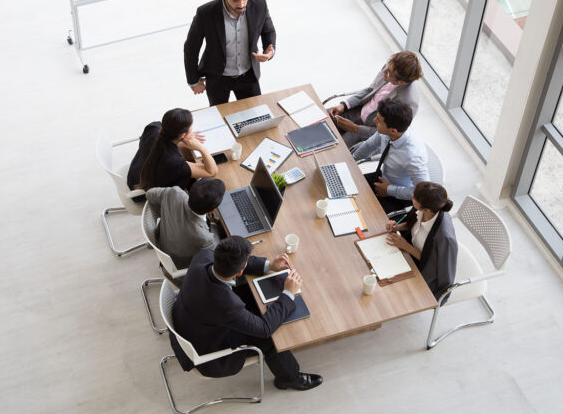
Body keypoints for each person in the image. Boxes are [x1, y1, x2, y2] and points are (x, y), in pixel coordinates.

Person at [170, 236, 323, 391]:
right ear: (240, 270)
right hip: (209, 352)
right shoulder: (227, 305)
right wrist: (288, 293)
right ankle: (290, 379)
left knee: (251, 297)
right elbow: (264, 329)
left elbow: (234, 264)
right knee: (270, 340)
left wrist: (269, 265)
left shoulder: (202, 257)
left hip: (190, 320)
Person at [183, 0, 276, 106]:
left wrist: (269, 51)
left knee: (256, 115)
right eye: (235, 0)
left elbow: (268, 31)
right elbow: (191, 48)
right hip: (217, 78)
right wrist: (193, 81)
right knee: (219, 119)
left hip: (248, 75)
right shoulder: (205, 13)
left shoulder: (259, 3)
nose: (241, 5)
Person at [327, 51, 422, 148]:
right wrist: (344, 105)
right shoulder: (390, 67)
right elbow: (371, 89)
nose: (384, 71)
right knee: (321, 118)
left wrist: (355, 128)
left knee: (334, 150)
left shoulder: (407, 103)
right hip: (356, 111)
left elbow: (386, 133)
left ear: (401, 82)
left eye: (388, 72)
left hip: (367, 131)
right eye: (387, 66)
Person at [351, 98, 429, 214]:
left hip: (398, 196)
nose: (374, 120)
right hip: (382, 178)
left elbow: (423, 194)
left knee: (361, 214)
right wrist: (349, 163)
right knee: (345, 190)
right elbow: (369, 146)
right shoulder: (387, 132)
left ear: (393, 131)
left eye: (378, 120)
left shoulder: (413, 157)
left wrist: (389, 190)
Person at [384, 182, 457, 302]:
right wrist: (397, 227)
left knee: (388, 291)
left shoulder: (444, 237)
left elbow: (434, 266)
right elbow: (413, 223)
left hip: (422, 271)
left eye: (414, 197)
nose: (412, 196)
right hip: (408, 254)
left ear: (426, 209)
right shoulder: (425, 207)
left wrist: (406, 246)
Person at [126, 108, 218, 193]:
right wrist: (201, 148)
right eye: (191, 129)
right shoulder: (174, 162)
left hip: (134, 176)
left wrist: (180, 141)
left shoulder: (153, 128)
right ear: (182, 134)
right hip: (142, 192)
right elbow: (211, 172)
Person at [146, 178, 226, 272]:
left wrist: (167, 212)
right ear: (212, 210)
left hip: (165, 243)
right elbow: (215, 263)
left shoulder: (174, 193)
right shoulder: (204, 238)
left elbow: (149, 194)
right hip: (181, 269)